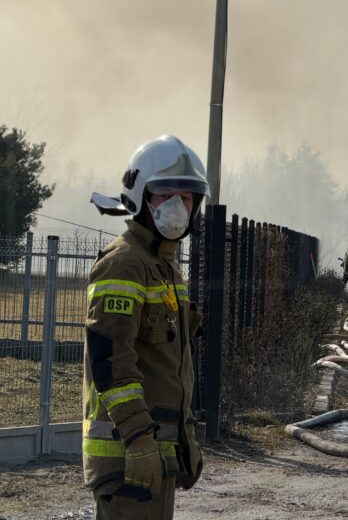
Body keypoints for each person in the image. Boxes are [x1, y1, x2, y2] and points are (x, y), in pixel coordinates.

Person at [84, 135, 209, 519]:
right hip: (128, 454)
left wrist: (184, 441)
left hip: (155, 452)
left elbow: (166, 363)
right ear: (140, 197)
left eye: (186, 197)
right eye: (166, 195)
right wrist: (138, 439)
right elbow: (111, 361)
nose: (178, 207)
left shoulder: (162, 267)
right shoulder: (124, 263)